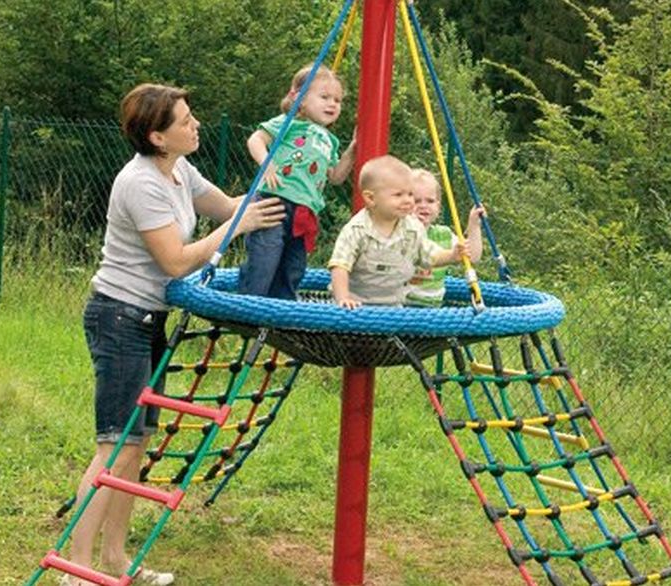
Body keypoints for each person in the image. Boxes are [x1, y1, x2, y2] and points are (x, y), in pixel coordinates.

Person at [61, 83, 285, 586]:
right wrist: (236, 230)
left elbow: (228, 207)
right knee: (114, 445)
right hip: (118, 317)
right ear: (158, 137)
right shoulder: (140, 183)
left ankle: (117, 560)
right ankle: (77, 570)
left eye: (191, 115)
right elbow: (176, 260)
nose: (195, 124)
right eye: (184, 121)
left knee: (135, 447)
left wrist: (280, 188)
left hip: (147, 319)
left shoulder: (180, 170)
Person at [238, 64, 356, 299]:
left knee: (294, 266)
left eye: (337, 100)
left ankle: (281, 311)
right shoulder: (290, 121)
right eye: (324, 97)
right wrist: (267, 163)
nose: (332, 104)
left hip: (305, 212)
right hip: (274, 201)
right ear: (299, 99)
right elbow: (256, 139)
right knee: (265, 257)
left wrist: (352, 151)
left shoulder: (330, 140)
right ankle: (249, 303)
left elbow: (335, 176)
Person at [328, 155, 466, 308]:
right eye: (398, 195)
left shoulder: (412, 228)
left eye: (410, 194)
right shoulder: (356, 230)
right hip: (354, 304)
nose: (408, 200)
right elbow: (340, 266)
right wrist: (343, 298)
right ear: (371, 198)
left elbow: (430, 255)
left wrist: (452, 255)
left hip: (392, 306)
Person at [406, 168, 484, 307]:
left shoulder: (444, 234)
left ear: (438, 205)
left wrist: (474, 226)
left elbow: (473, 257)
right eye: (416, 201)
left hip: (433, 308)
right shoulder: (400, 233)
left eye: (430, 201)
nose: (423, 206)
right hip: (401, 307)